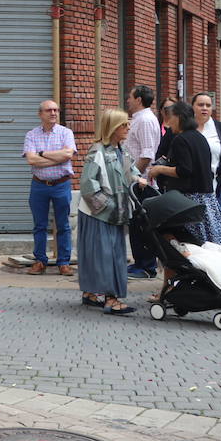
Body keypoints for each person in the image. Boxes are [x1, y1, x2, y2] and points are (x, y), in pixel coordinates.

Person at [77, 109, 141, 315]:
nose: (128, 128)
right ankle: (111, 299)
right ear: (113, 128)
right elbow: (88, 185)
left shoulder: (122, 149)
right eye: (124, 125)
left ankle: (90, 293)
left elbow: (131, 170)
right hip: (100, 214)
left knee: (98, 254)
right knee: (108, 255)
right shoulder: (98, 151)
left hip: (111, 212)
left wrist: (138, 179)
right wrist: (108, 207)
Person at [147, 100, 221, 248]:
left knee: (193, 248)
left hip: (190, 202)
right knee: (212, 246)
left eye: (171, 116)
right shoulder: (199, 137)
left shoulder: (180, 139)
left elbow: (184, 170)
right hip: (207, 200)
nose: (168, 121)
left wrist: (159, 169)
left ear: (179, 117)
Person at [22, 99, 76, 275]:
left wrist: (42, 154)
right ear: (40, 114)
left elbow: (68, 155)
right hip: (39, 185)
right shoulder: (31, 135)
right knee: (39, 225)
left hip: (61, 185)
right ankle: (40, 261)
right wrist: (56, 157)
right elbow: (31, 160)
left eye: (56, 110)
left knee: (63, 225)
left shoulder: (65, 133)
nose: (53, 113)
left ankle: (64, 262)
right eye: (49, 110)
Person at [123, 85, 161, 279]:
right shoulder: (141, 119)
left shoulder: (145, 120)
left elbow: (147, 154)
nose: (127, 100)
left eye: (130, 96)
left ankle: (146, 267)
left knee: (141, 225)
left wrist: (133, 177)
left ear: (138, 99)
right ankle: (140, 263)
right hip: (137, 181)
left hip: (140, 183)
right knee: (136, 225)